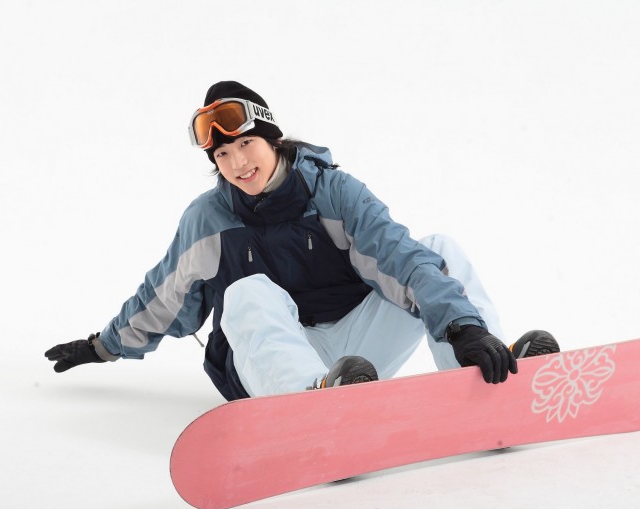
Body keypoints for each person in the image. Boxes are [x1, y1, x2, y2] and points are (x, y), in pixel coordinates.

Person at [44, 81, 559, 401]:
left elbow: (400, 258)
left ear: (273, 139)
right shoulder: (207, 220)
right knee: (245, 293)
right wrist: (100, 347)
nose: (238, 164)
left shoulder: (333, 192)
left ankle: (487, 376)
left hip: (352, 358)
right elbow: (159, 299)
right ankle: (310, 405)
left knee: (438, 250)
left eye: (246, 145)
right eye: (223, 156)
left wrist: (462, 325)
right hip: (272, 365)